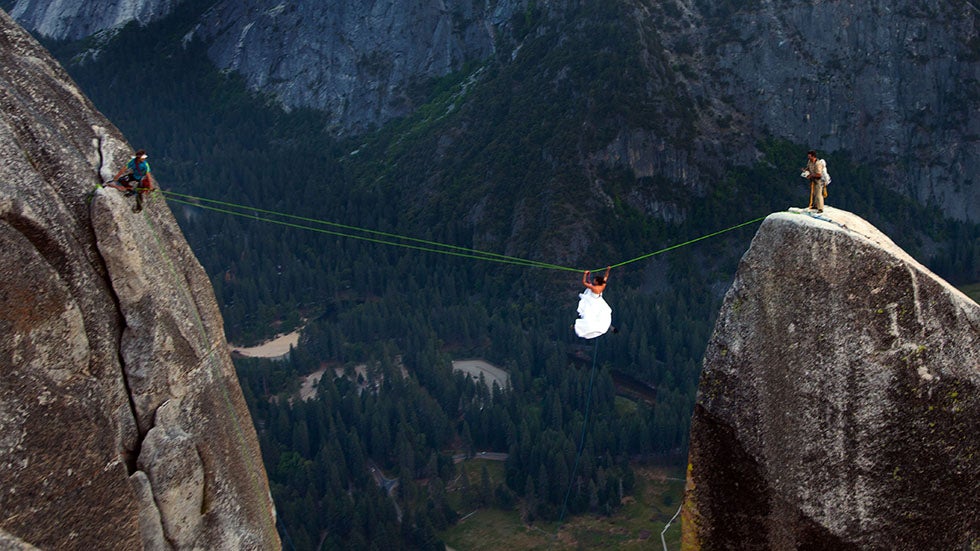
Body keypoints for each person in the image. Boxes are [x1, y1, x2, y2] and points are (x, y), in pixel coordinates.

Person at [574, 266, 613, 339]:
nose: (594, 281)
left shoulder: (594, 288)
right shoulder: (603, 285)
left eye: (595, 280)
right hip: (598, 299)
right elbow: (606, 277)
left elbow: (584, 282)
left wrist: (585, 274)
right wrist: (608, 270)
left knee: (587, 311)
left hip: (592, 300)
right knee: (595, 313)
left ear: (597, 282)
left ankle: (583, 324)